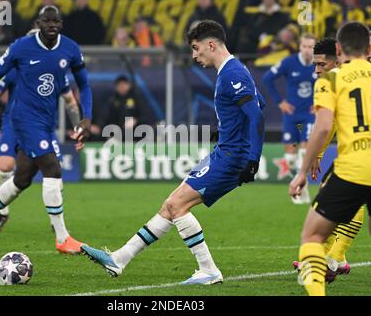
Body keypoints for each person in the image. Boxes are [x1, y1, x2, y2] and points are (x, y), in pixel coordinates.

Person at [80, 20, 265, 285]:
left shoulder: (232, 73)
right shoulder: (235, 69)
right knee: (170, 205)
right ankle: (119, 258)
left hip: (231, 157)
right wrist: (225, 129)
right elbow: (259, 102)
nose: (194, 55)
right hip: (225, 150)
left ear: (210, 45)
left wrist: (253, 159)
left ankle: (209, 270)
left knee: (177, 206)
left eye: (195, 48)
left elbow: (256, 113)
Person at [0, 6, 93, 254]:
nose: (51, 25)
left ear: (61, 23)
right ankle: (62, 238)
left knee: (21, 180)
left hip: (45, 122)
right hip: (23, 119)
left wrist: (86, 118)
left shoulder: (70, 48)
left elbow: (84, 85)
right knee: (53, 168)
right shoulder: (21, 46)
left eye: (55, 21)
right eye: (46, 21)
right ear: (39, 23)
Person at [289, 21, 371, 296]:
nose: (317, 70)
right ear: (369, 48)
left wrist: (304, 167)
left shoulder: (331, 80)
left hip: (354, 166)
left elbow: (325, 125)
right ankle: (336, 256)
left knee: (311, 234)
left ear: (339, 49)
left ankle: (330, 259)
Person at [262, 33, 317, 204]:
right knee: (291, 157)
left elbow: (330, 83)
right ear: (300, 47)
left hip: (308, 116)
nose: (307, 50)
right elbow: (267, 79)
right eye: (304, 46)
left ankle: (302, 187)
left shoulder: (320, 65)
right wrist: (280, 102)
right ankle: (300, 182)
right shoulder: (289, 62)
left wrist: (319, 102)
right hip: (291, 115)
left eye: (311, 47)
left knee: (304, 150)